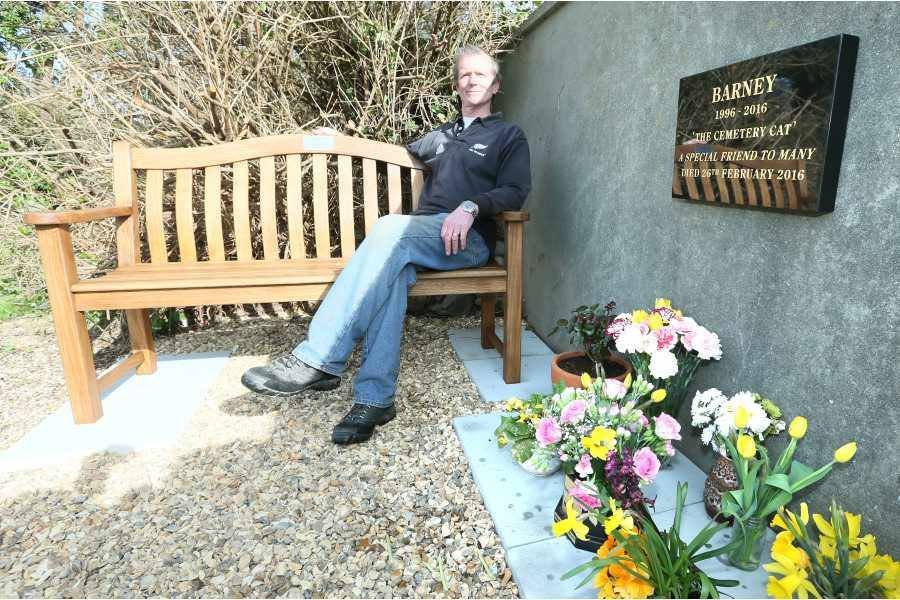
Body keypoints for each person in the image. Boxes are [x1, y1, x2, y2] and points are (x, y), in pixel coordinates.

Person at [241, 45, 531, 444]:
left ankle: (318, 358)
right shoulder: (441, 136)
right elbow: (392, 152)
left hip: (468, 241)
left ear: (495, 85)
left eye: (481, 74)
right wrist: (343, 140)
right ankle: (375, 400)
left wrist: (471, 205)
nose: (472, 80)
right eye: (465, 74)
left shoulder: (507, 135)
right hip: (420, 240)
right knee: (392, 275)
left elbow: (516, 191)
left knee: (390, 228)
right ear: (456, 84)